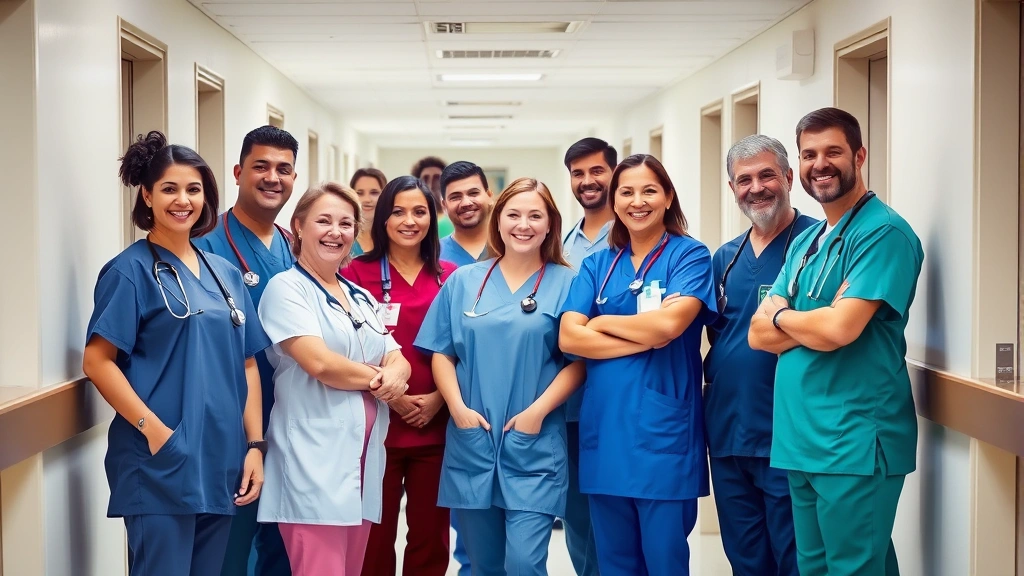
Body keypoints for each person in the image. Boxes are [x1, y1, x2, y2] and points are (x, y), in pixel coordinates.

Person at [83, 131, 270, 576]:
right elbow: (97, 360)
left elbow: (247, 362)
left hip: (219, 460)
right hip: (160, 462)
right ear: (146, 195)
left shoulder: (222, 272)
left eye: (194, 189)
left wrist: (255, 445)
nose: (182, 200)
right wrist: (154, 431)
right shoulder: (130, 271)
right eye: (169, 188)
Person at [749, 107, 923, 576]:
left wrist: (784, 312)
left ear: (860, 155)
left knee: (853, 568)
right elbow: (757, 334)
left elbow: (838, 331)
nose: (820, 164)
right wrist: (811, 318)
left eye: (833, 152)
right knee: (817, 567)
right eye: (809, 154)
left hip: (853, 440)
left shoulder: (882, 233)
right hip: (802, 437)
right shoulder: (809, 241)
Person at [415, 178, 583, 576]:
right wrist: (457, 409)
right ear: (498, 220)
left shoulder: (569, 283)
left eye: (535, 216)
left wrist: (537, 413)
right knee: (482, 564)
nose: (523, 225)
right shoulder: (464, 281)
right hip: (472, 438)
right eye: (513, 214)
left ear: (550, 225)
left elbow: (578, 362)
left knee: (525, 563)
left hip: (534, 441)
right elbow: (442, 352)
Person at [559, 154, 717, 575]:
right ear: (614, 201)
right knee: (613, 562)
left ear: (667, 197)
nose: (637, 201)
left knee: (664, 560)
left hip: (662, 438)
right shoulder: (597, 263)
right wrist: (644, 332)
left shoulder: (690, 256)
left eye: (649, 190)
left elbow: (669, 326)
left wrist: (604, 321)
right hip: (605, 433)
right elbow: (569, 336)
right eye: (626, 192)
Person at [257, 182, 412, 575]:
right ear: (298, 227)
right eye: (323, 221)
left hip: (361, 464)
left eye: (346, 223)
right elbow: (321, 364)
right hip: (314, 464)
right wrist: (385, 380)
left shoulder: (359, 295)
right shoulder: (285, 289)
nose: (336, 231)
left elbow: (397, 355)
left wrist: (396, 372)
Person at [704, 135, 816, 576]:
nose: (757, 187)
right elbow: (716, 338)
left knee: (793, 556)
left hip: (787, 432)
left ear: (789, 178)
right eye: (744, 179)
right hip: (729, 431)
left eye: (767, 174)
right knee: (745, 558)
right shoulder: (724, 258)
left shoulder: (815, 244)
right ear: (732, 189)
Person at [194, 125, 298, 576]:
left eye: (284, 169)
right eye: (261, 166)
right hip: (233, 426)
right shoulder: (204, 246)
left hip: (294, 421)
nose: (273, 177)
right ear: (238, 172)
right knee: (231, 551)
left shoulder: (296, 246)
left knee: (283, 548)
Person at [342, 176, 457, 576]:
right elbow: (348, 348)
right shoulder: (354, 274)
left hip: (436, 427)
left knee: (431, 537)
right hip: (377, 425)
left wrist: (440, 399)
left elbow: (465, 351)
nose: (410, 221)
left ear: (433, 217)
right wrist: (396, 398)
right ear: (383, 218)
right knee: (373, 535)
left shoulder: (452, 276)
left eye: (420, 211)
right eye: (398, 211)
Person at [558, 137, 617, 576]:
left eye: (596, 170)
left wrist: (587, 331)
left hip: (623, 399)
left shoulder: (637, 238)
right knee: (577, 514)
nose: (588, 181)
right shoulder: (561, 246)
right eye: (578, 174)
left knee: (617, 517)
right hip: (571, 405)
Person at [438, 161, 494, 267]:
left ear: (489, 195)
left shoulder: (509, 247)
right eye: (455, 197)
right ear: (444, 205)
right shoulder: (433, 256)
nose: (466, 203)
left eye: (473, 193)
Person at [411, 156, 455, 237]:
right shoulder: (411, 219)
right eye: (425, 179)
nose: (431, 185)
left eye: (437, 178)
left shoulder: (455, 217)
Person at [350, 168, 388, 257]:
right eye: (360, 193)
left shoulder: (394, 238)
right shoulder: (343, 237)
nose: (367, 199)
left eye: (374, 192)